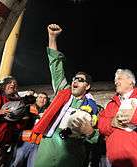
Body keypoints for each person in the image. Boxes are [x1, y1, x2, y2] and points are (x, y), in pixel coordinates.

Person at [32, 24, 99, 167]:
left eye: (80, 80)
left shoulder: (93, 108)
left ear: (87, 86)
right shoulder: (63, 92)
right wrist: (52, 37)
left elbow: (97, 138)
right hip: (47, 153)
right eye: (74, 78)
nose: (75, 81)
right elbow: (55, 65)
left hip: (72, 157)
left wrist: (90, 133)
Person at [10, 92, 49, 167]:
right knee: (16, 162)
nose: (42, 100)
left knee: (32, 164)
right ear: (36, 99)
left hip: (37, 143)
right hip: (24, 141)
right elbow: (21, 120)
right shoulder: (28, 107)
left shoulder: (47, 111)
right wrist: (37, 117)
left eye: (45, 98)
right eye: (40, 97)